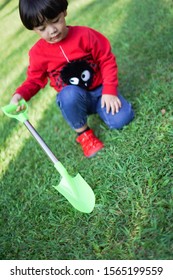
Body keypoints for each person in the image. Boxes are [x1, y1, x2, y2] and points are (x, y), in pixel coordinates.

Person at [10, 0, 134, 158]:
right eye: (42, 28)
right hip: (74, 98)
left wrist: (110, 91)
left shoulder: (85, 35)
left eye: (56, 21)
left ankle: (103, 108)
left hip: (101, 91)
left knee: (123, 119)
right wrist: (20, 94)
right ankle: (84, 134)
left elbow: (106, 59)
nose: (52, 30)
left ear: (64, 12)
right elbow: (34, 80)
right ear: (34, 29)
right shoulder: (38, 54)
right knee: (68, 94)